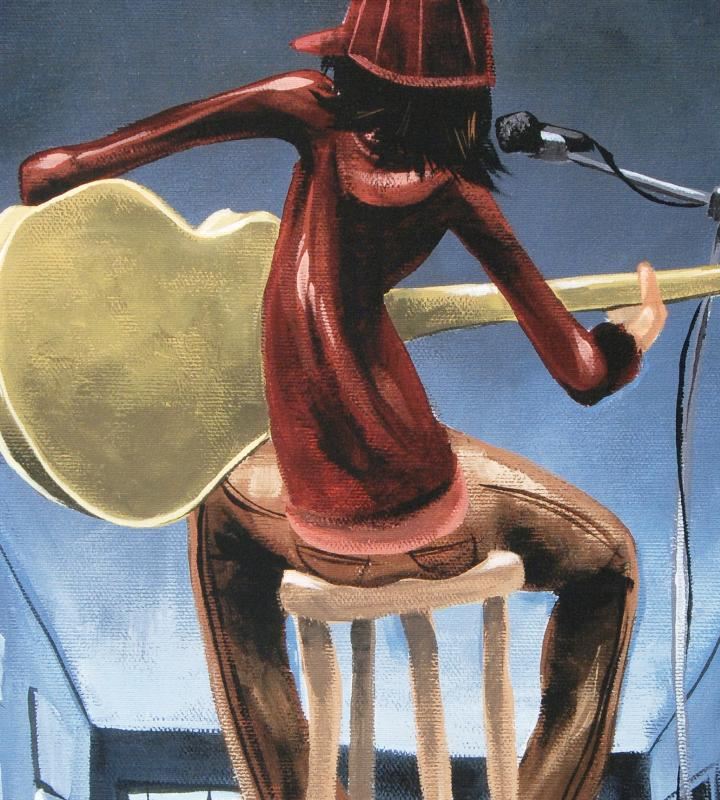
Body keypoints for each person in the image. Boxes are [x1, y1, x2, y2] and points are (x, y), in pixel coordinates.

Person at [19, 1, 667, 798]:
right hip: (435, 514)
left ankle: (286, 792)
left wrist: (57, 175)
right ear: (469, 98)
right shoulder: (461, 192)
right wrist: (631, 336)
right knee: (610, 561)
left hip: (309, 522)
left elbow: (64, 168)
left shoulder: (307, 109)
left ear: (352, 66)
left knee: (216, 514)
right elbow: (583, 374)